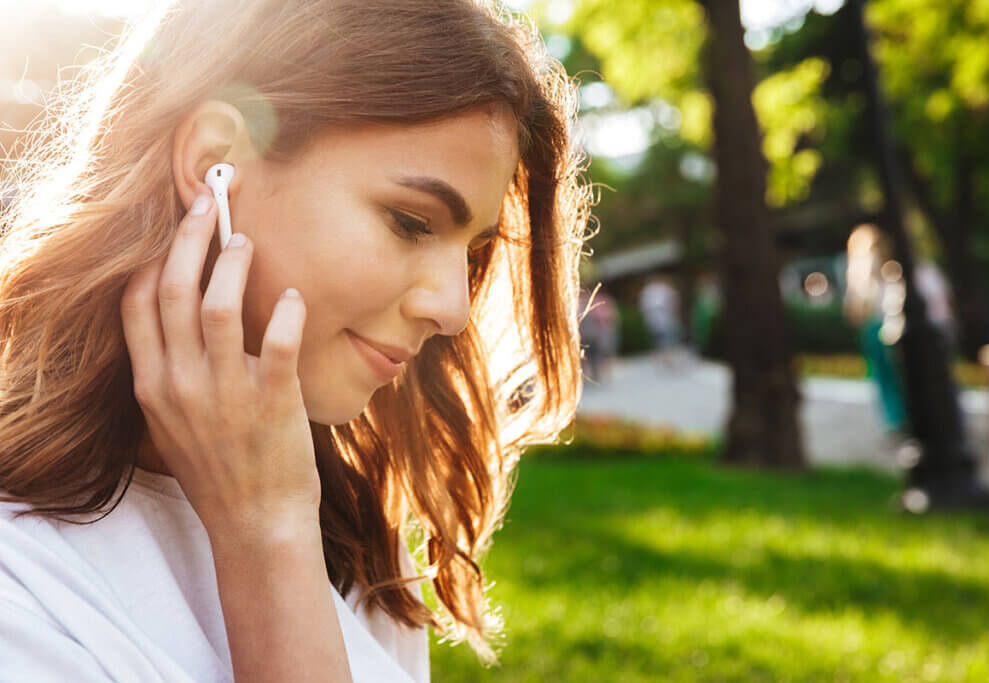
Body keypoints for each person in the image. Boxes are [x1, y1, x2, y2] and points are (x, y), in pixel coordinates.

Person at [0, 1, 593, 681]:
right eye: (410, 221)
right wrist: (266, 539)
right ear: (216, 164)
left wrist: (276, 524)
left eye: (472, 249)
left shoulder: (359, 538)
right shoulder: (20, 580)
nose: (454, 310)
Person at [842, 223, 908, 435]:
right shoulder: (876, 263)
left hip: (877, 323)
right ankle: (897, 416)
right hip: (880, 322)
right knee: (890, 373)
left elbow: (855, 304)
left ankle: (895, 418)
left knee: (886, 374)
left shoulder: (861, 264)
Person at [638, 276, 683, 370]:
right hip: (661, 318)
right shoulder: (653, 291)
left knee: (664, 339)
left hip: (661, 318)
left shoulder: (650, 291)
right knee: (664, 339)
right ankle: (665, 357)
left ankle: (665, 357)